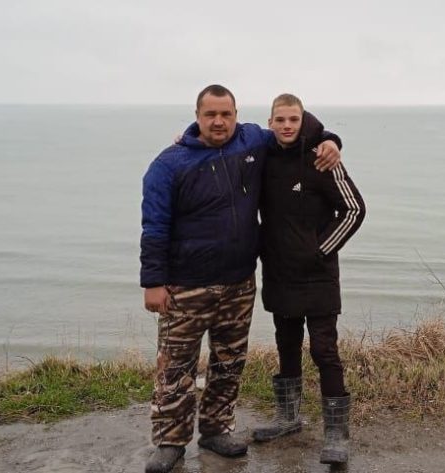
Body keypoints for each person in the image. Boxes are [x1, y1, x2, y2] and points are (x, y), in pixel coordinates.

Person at [139, 84, 341, 473]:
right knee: (176, 367)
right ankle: (170, 442)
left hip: (238, 283)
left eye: (226, 114)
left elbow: (294, 128)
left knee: (229, 362)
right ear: (197, 117)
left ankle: (216, 429)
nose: (219, 121)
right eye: (210, 114)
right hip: (186, 285)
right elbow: (155, 226)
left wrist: (331, 139)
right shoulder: (169, 164)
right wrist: (153, 282)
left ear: (237, 115)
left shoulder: (250, 141)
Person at [251, 94, 365, 465]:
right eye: (280, 119)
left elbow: (354, 209)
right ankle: (288, 418)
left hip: (318, 276)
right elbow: (229, 142)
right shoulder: (263, 157)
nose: (287, 125)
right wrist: (185, 138)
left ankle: (336, 434)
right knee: (286, 345)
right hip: (279, 272)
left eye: (293, 119)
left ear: (302, 120)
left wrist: (320, 250)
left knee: (323, 350)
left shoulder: (322, 157)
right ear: (270, 122)